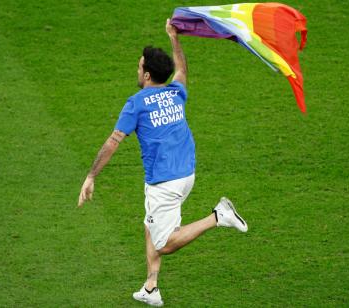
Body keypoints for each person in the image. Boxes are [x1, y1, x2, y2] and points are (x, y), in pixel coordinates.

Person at [77, 19, 248, 307]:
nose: (137, 68)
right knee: (150, 222)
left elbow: (112, 142)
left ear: (146, 75)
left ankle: (218, 216)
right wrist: (174, 38)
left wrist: (91, 176)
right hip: (184, 172)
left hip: (165, 181)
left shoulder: (137, 103)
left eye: (139, 65)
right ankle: (151, 286)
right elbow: (182, 70)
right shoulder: (175, 92)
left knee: (164, 242)